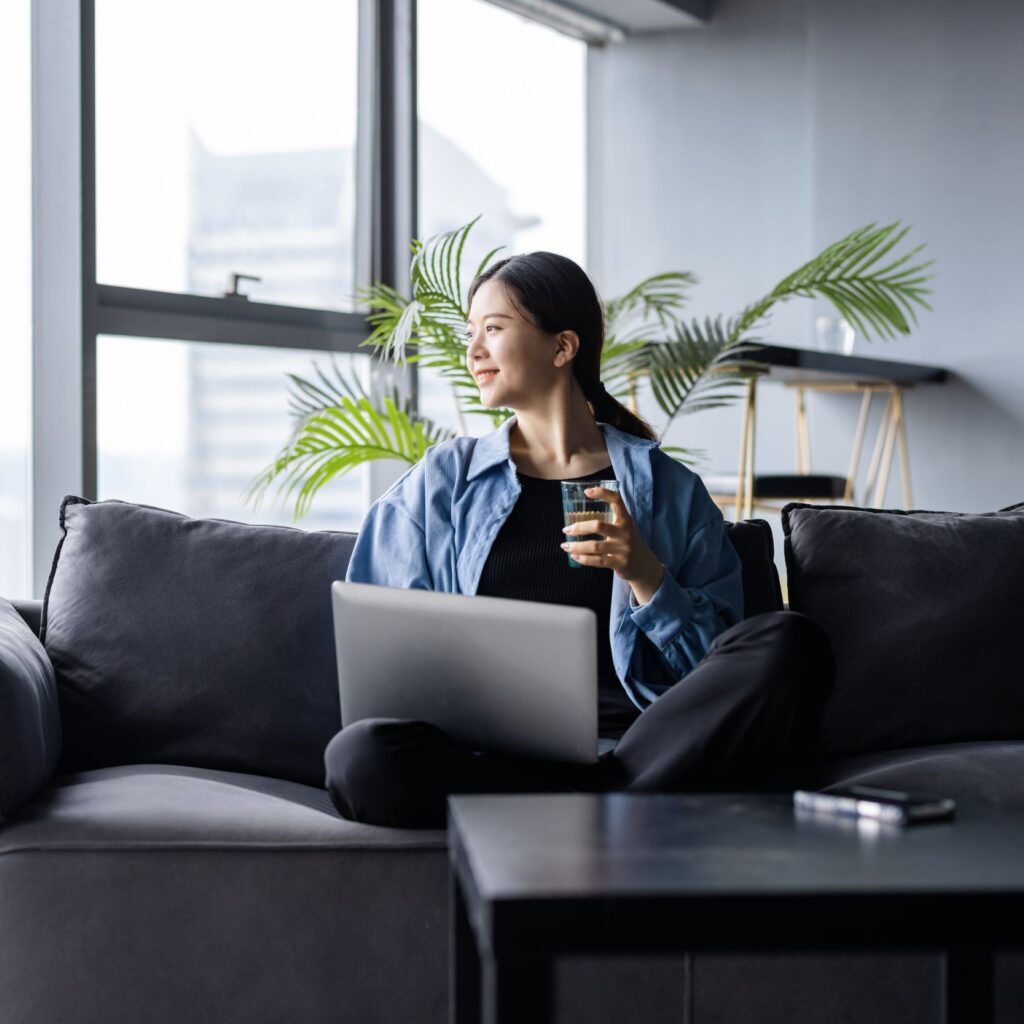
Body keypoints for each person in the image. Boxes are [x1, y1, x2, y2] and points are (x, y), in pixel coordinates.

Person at [324, 251, 834, 828]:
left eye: (493, 329)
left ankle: (586, 806)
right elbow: (382, 651)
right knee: (359, 759)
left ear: (562, 347)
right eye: (471, 333)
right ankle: (605, 812)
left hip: (637, 748)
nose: (473, 351)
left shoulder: (669, 490)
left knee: (791, 642)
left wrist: (645, 573)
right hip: (491, 761)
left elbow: (710, 673)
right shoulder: (442, 482)